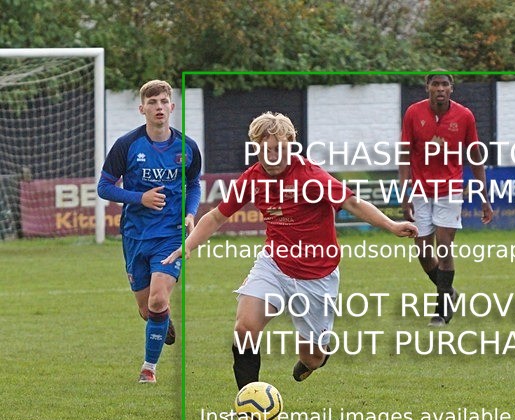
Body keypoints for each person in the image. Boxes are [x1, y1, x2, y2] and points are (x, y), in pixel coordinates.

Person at [163, 111, 417, 389]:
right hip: (274, 265)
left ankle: (318, 356)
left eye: (279, 149)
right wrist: (187, 246)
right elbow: (216, 217)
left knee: (312, 357)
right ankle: (249, 402)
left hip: (316, 276)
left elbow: (352, 203)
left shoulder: (311, 175)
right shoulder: (252, 178)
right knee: (245, 328)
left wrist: (391, 225)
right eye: (265, 149)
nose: (272, 156)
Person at [97, 79, 202, 384]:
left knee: (157, 300)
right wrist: (139, 198)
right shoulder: (126, 146)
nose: (159, 107)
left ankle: (148, 370)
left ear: (172, 106)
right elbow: (104, 187)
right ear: (142, 109)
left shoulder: (188, 147)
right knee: (147, 310)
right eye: (152, 102)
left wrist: (191, 212)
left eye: (164, 101)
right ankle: (160, 320)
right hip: (135, 235)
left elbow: (193, 184)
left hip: (170, 235)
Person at [399, 72, 494, 327]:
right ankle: (448, 292)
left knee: (444, 245)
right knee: (422, 250)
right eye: (435, 84)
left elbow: (475, 157)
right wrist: (404, 192)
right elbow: (405, 154)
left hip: (450, 190)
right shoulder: (413, 113)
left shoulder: (465, 116)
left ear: (451, 88)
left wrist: (484, 197)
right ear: (427, 87)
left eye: (444, 84)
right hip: (420, 191)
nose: (440, 88)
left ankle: (441, 310)